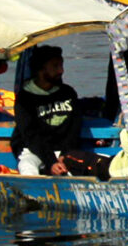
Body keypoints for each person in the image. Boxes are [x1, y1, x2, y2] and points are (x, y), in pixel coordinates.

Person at [8, 47, 92, 175]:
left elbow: (74, 129)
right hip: (33, 150)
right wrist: (51, 162)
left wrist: (64, 156)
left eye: (61, 65)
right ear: (41, 69)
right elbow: (31, 135)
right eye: (55, 66)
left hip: (64, 150)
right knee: (28, 167)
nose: (61, 70)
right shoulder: (24, 98)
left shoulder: (68, 93)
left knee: (74, 171)